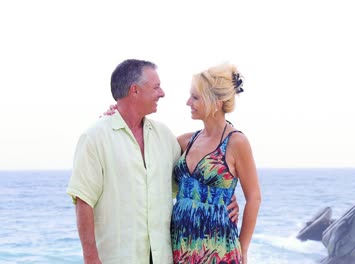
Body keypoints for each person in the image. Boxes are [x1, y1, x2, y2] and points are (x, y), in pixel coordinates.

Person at [67, 59, 239, 264]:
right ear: (135, 90)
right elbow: (83, 201)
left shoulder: (164, 136)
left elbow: (193, 172)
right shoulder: (95, 138)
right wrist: (90, 258)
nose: (162, 93)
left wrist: (222, 194)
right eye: (156, 87)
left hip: (163, 258)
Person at [171, 63, 261, 264]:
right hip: (180, 247)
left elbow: (254, 197)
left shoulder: (236, 142)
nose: (188, 102)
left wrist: (243, 248)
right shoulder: (185, 141)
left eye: (195, 97)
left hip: (219, 251)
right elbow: (144, 147)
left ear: (217, 102)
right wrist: (115, 113)